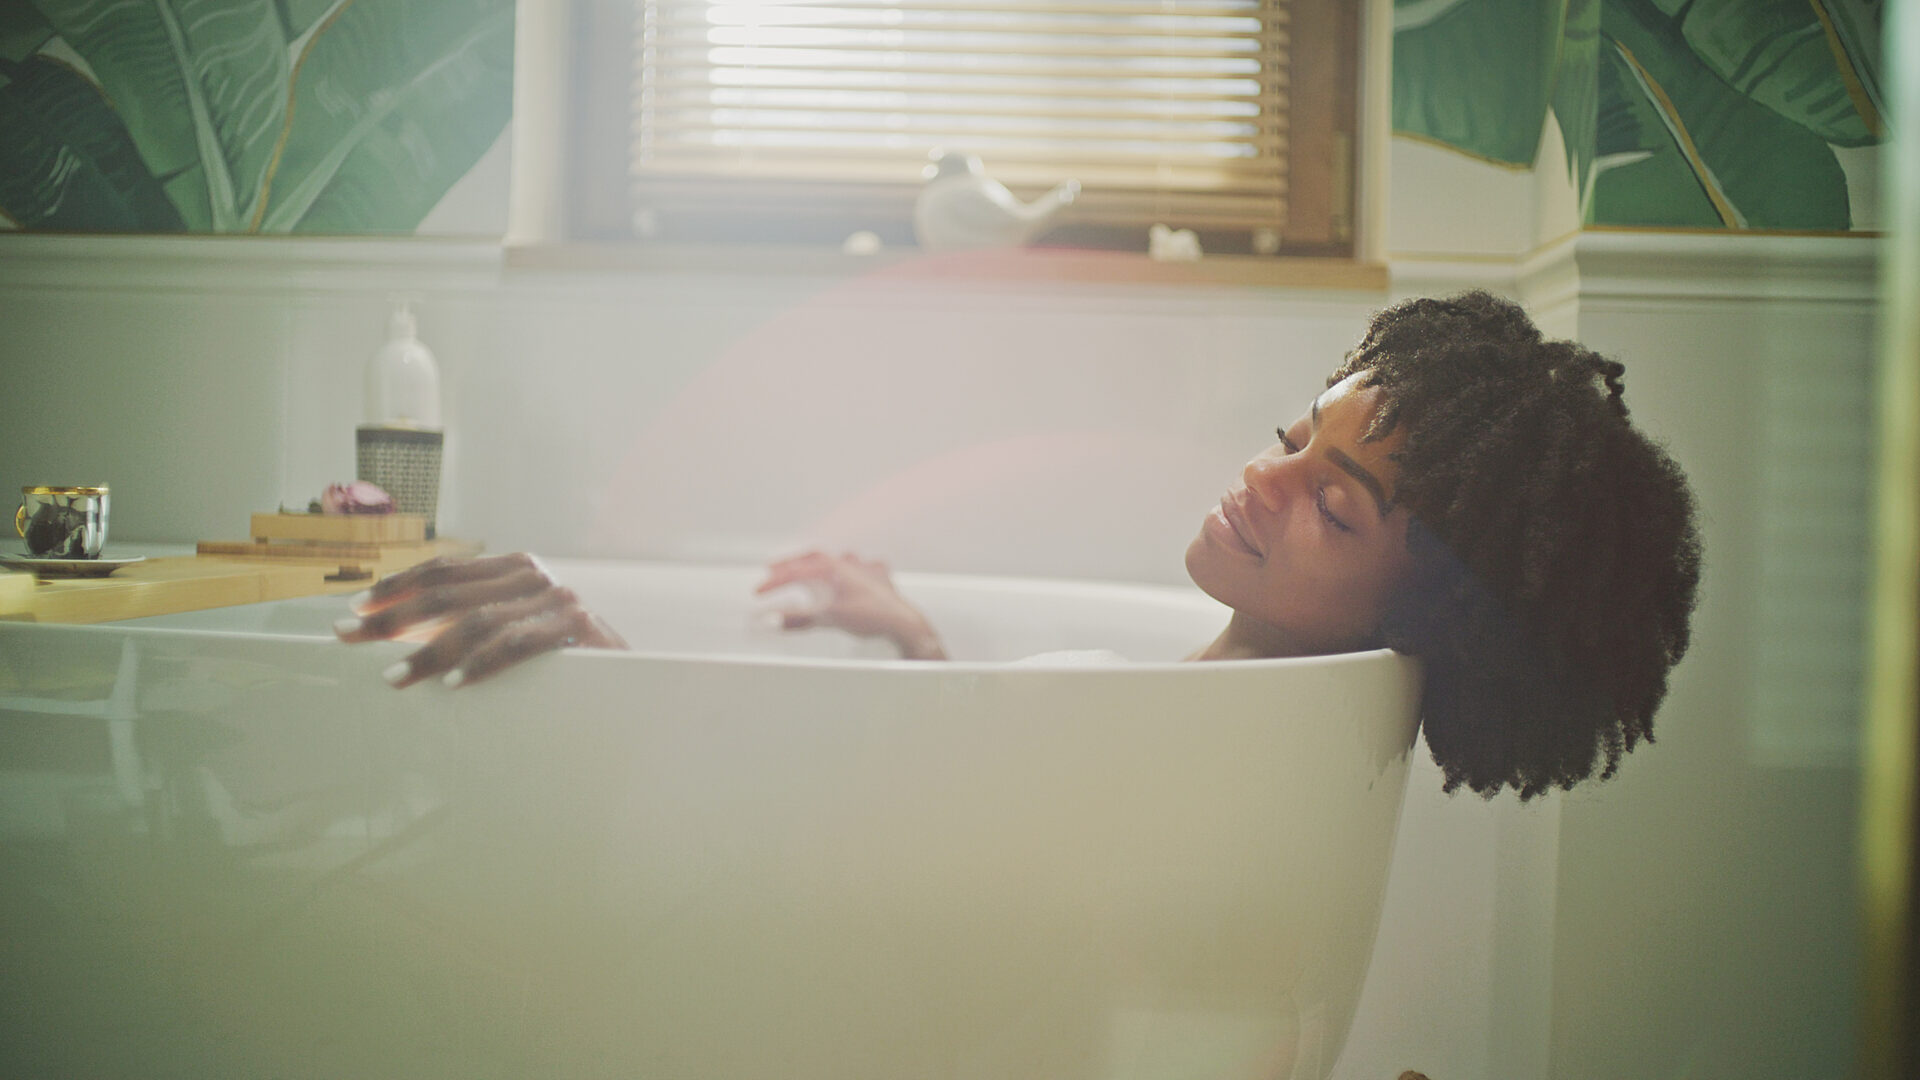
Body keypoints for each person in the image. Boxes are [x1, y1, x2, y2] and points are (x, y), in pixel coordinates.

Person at [335, 291, 1702, 798]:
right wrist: (921, 640)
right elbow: (996, 797)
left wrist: (594, 658)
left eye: (1332, 506)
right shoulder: (1199, 713)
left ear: (1435, 629)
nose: (1261, 478)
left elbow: (827, 867)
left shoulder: (1189, 748)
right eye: (1296, 437)